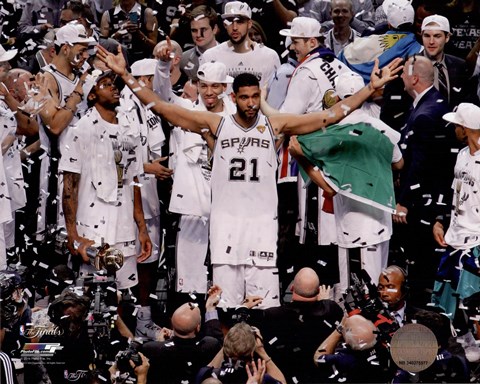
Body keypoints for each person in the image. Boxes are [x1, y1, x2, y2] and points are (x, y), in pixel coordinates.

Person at [96, 42, 402, 308]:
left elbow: (329, 115)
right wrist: (124, 75)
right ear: (235, 97)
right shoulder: (214, 125)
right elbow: (162, 107)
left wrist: (370, 89)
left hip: (261, 227)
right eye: (245, 98)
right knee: (227, 305)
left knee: (263, 308)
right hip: (225, 225)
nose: (252, 103)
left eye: (256, 96)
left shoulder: (276, 125)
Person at [59, 70, 152, 291]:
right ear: (91, 95)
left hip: (124, 225)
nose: (114, 88)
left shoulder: (129, 129)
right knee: (93, 295)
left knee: (123, 295)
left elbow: (135, 180)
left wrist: (142, 227)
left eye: (114, 84)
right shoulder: (81, 129)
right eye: (105, 85)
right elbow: (69, 185)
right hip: (92, 226)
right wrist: (72, 234)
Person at [393, 55, 455, 307]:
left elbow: (420, 165)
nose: (400, 78)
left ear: (414, 78)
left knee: (420, 263)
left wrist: (405, 202)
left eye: (404, 74)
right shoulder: (428, 105)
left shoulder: (426, 115)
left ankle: (420, 315)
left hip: (423, 205)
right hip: (427, 200)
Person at [119, 58, 165, 341]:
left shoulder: (146, 105)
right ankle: (124, 321)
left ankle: (144, 318)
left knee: (148, 258)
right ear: (145, 80)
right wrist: (150, 168)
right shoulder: (123, 107)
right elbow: (120, 157)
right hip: (128, 196)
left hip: (149, 194)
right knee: (127, 260)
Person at [432, 103, 480, 320]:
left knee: (473, 301)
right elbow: (455, 192)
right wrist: (440, 221)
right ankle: (463, 340)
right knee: (449, 299)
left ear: (466, 128)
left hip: (476, 240)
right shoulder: (461, 155)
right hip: (456, 236)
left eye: (457, 125)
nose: (454, 130)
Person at [141, 285, 224, 383]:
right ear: (198, 328)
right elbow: (216, 338)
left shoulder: (150, 349)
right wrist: (211, 307)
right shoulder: (210, 346)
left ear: (172, 325)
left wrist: (160, 344)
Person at [199, 1, 281, 87]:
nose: (234, 27)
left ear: (249, 24)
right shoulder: (211, 56)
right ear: (224, 24)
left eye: (240, 22)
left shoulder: (269, 57)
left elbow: (274, 96)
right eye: (230, 21)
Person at [196, 322, 287, 384]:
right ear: (252, 353)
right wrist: (261, 350)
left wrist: (230, 342)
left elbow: (208, 367)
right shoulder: (260, 379)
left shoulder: (207, 375)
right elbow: (282, 382)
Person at [313, 314, 393, 382]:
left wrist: (340, 329)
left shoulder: (344, 359)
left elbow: (318, 357)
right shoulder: (386, 350)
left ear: (347, 341)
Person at [420, 14, 475, 109]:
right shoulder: (408, 66)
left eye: (437, 36)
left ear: (447, 37)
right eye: (427, 36)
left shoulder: (460, 66)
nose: (431, 41)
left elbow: (469, 102)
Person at [179, 5, 220, 81]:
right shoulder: (183, 60)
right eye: (194, 30)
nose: (198, 35)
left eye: (203, 29)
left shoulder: (229, 55)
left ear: (215, 29)